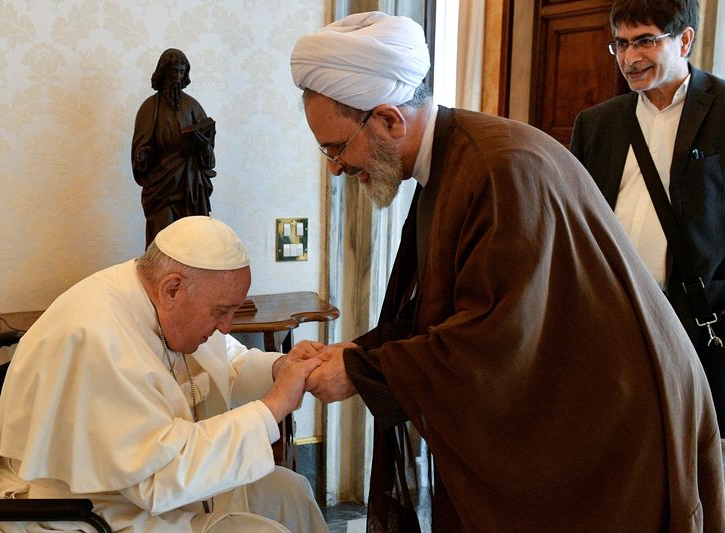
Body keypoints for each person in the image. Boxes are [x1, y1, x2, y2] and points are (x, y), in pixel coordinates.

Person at [290, 11, 724, 532]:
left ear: (388, 120)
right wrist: (359, 352)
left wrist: (364, 372)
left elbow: (498, 341)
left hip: (619, 429)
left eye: (336, 148)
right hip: (585, 416)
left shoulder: (497, 169)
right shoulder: (449, 162)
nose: (335, 167)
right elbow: (435, 308)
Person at [0, 216, 329, 533]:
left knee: (290, 491)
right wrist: (274, 406)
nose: (226, 326)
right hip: (75, 509)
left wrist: (278, 368)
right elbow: (158, 476)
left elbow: (227, 362)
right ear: (172, 288)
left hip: (127, 489)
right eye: (221, 312)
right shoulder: (96, 337)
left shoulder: (156, 298)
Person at [570, 0, 725, 428]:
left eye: (645, 42)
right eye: (620, 44)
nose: (629, 58)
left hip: (694, 319)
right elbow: (576, 220)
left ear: (685, 40)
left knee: (685, 443)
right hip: (609, 315)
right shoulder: (595, 123)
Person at [132, 49, 217, 249]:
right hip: (162, 190)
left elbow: (209, 159)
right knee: (164, 244)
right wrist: (142, 156)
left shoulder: (193, 107)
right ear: (163, 73)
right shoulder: (150, 108)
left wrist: (203, 145)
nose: (177, 77)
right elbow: (140, 153)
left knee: (191, 246)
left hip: (190, 189)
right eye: (173, 72)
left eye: (181, 72)